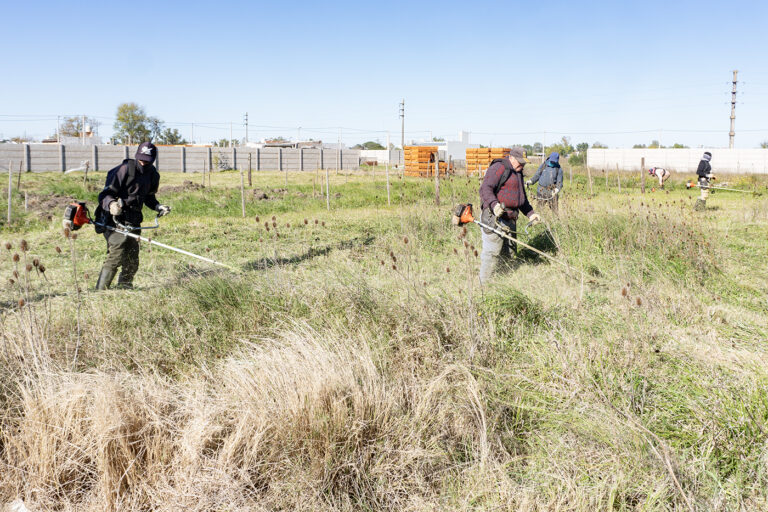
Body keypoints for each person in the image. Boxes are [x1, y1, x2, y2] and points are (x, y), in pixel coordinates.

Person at [95, 142, 171, 289]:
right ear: (137, 155)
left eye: (147, 160)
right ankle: (100, 291)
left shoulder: (153, 175)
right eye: (141, 158)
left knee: (132, 259)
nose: (143, 162)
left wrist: (157, 206)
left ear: (153, 159)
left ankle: (125, 288)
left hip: (134, 220)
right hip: (115, 219)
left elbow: (149, 197)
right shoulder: (123, 170)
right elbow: (104, 195)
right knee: (116, 255)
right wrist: (111, 204)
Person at [478, 146, 541, 284]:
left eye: (523, 162)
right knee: (492, 253)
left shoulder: (518, 172)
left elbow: (521, 198)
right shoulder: (499, 168)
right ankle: (483, 287)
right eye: (520, 161)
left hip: (511, 219)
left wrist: (531, 214)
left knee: (509, 255)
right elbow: (485, 189)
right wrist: (494, 205)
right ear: (511, 157)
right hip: (494, 218)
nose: (522, 165)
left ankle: (503, 283)